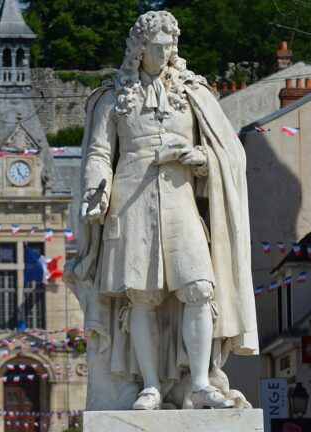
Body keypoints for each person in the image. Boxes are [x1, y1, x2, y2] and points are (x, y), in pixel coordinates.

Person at [65, 10, 258, 411]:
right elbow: (99, 153)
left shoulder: (193, 94)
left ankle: (202, 382)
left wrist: (196, 156)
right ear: (139, 49)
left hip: (180, 200)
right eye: (158, 46)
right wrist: (95, 192)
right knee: (142, 297)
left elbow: (228, 154)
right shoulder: (113, 98)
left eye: (171, 45)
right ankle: (150, 385)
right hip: (129, 202)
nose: (166, 52)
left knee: (199, 289)